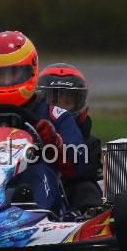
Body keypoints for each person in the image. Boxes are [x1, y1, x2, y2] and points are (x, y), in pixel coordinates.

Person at [0, 31, 93, 214]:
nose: (6, 81)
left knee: (39, 171)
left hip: (37, 192)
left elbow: (79, 164)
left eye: (13, 73)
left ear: (31, 70)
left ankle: (30, 210)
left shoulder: (56, 116)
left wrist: (54, 145)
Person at [37, 63, 103, 212]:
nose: (59, 110)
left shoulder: (89, 143)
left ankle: (90, 219)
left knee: (86, 189)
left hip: (70, 189)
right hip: (37, 185)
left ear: (79, 105)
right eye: (53, 103)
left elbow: (84, 171)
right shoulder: (28, 136)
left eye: (67, 103)